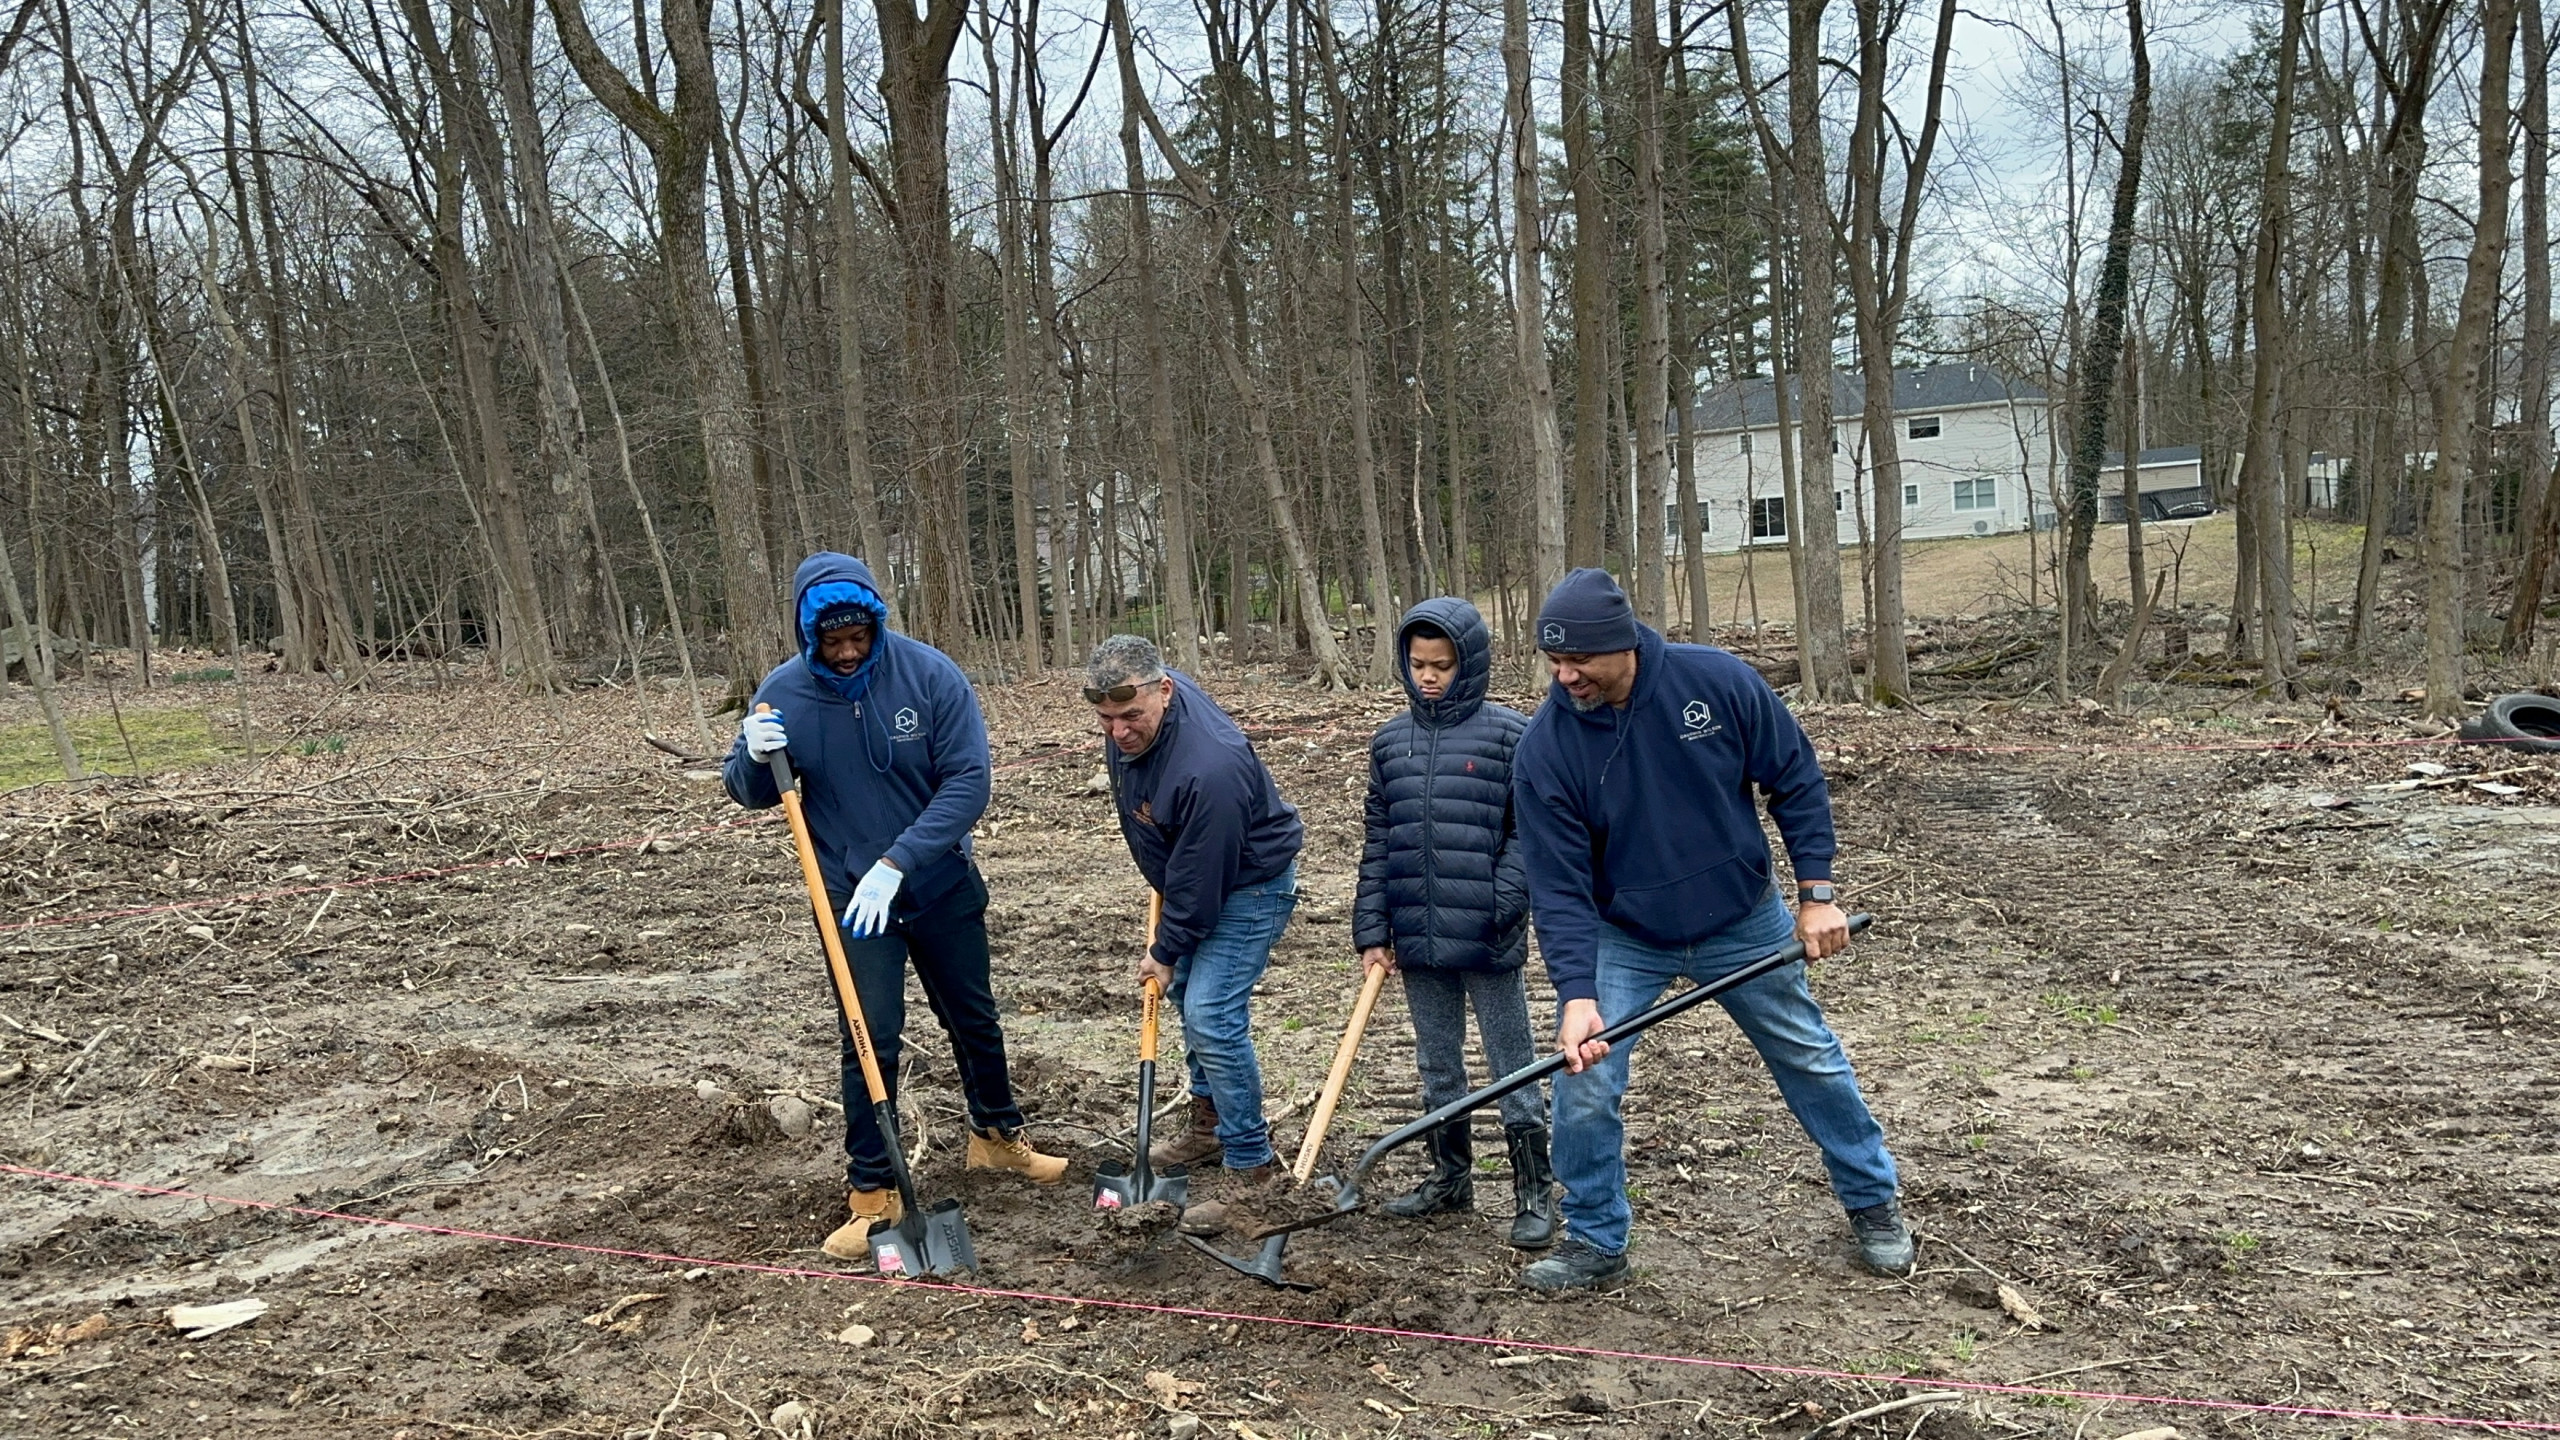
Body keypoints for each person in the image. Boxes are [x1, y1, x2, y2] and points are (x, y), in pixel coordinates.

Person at [1511, 568, 1912, 1292]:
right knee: (1586, 1081)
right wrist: (1577, 994)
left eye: (1579, 662)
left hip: (1741, 917)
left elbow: (1793, 776)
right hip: (1624, 933)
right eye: (1554, 662)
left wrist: (1816, 893)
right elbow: (1558, 887)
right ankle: (1597, 1238)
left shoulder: (1715, 682)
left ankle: (1873, 1201)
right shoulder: (1546, 749)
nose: (1565, 676)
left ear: (1624, 644)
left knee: (1809, 1058)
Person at [725, 552, 1068, 1262]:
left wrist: (900, 862)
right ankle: (872, 1193)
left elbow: (968, 782)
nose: (848, 653)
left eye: (859, 639)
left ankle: (997, 1137)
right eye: (833, 642)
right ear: (807, 633)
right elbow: (754, 793)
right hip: (851, 899)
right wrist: (750, 757)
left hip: (937, 881)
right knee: (869, 1036)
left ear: (877, 626)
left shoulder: (930, 675)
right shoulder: (782, 693)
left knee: (972, 1016)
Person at [1354, 598, 1556, 1248]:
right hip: (1416, 934)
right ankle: (1450, 1177)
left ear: (1468, 664)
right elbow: (1378, 839)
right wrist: (1372, 928)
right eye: (1418, 665)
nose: (1428, 677)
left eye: (1441, 665)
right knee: (1438, 1064)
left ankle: (1533, 1190)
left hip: (1489, 937)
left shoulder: (1511, 736)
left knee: (1512, 1064)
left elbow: (1529, 836)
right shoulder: (1390, 743)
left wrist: (1501, 904)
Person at [1086, 634, 1303, 1179]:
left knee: (1210, 1014)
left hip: (1249, 885)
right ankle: (1209, 1127)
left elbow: (1202, 878)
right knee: (1189, 997)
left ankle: (1252, 1164)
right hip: (1196, 871)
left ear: (1164, 690)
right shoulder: (1138, 709)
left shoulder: (1211, 766)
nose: (1118, 733)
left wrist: (1165, 949)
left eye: (1130, 717)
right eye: (1106, 720)